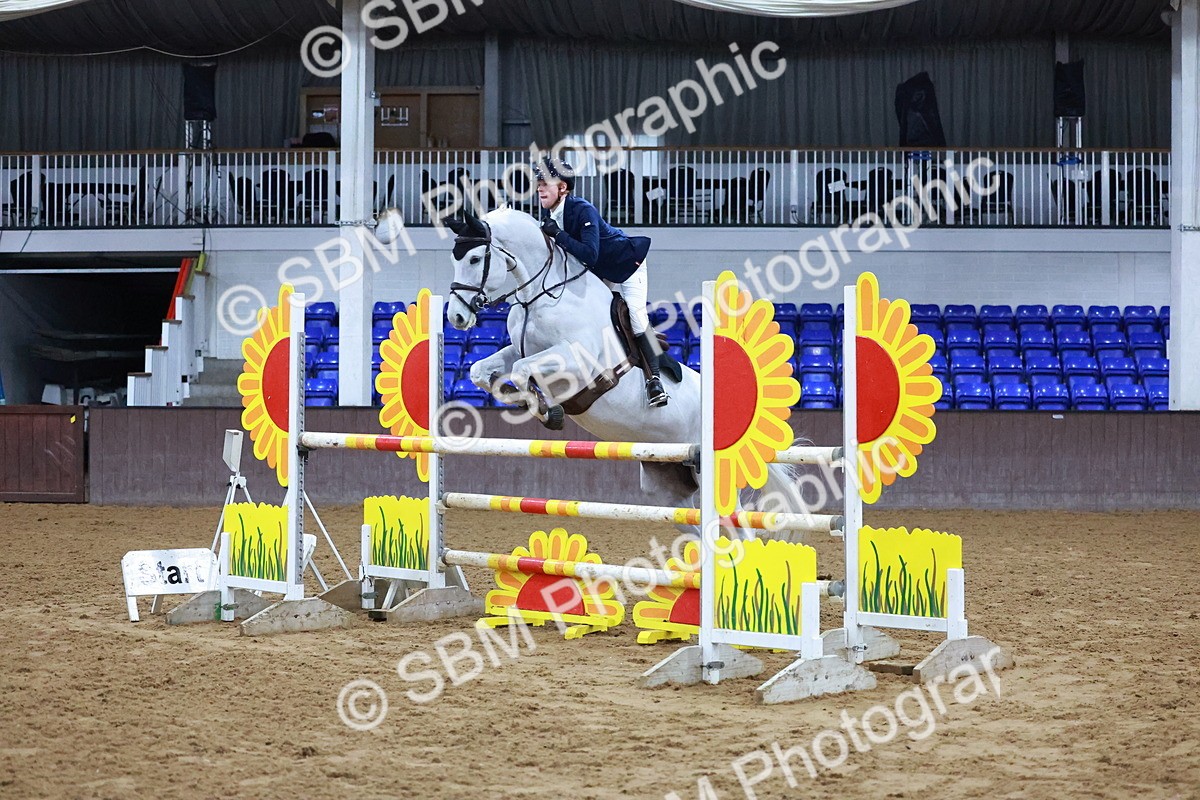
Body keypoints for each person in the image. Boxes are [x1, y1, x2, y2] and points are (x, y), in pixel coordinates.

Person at [533, 157, 668, 408]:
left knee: (637, 317)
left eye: (545, 183)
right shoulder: (549, 212)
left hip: (627, 264)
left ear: (562, 188)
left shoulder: (583, 210)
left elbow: (589, 254)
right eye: (538, 183)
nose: (539, 187)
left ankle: (654, 382)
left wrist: (558, 235)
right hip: (598, 270)